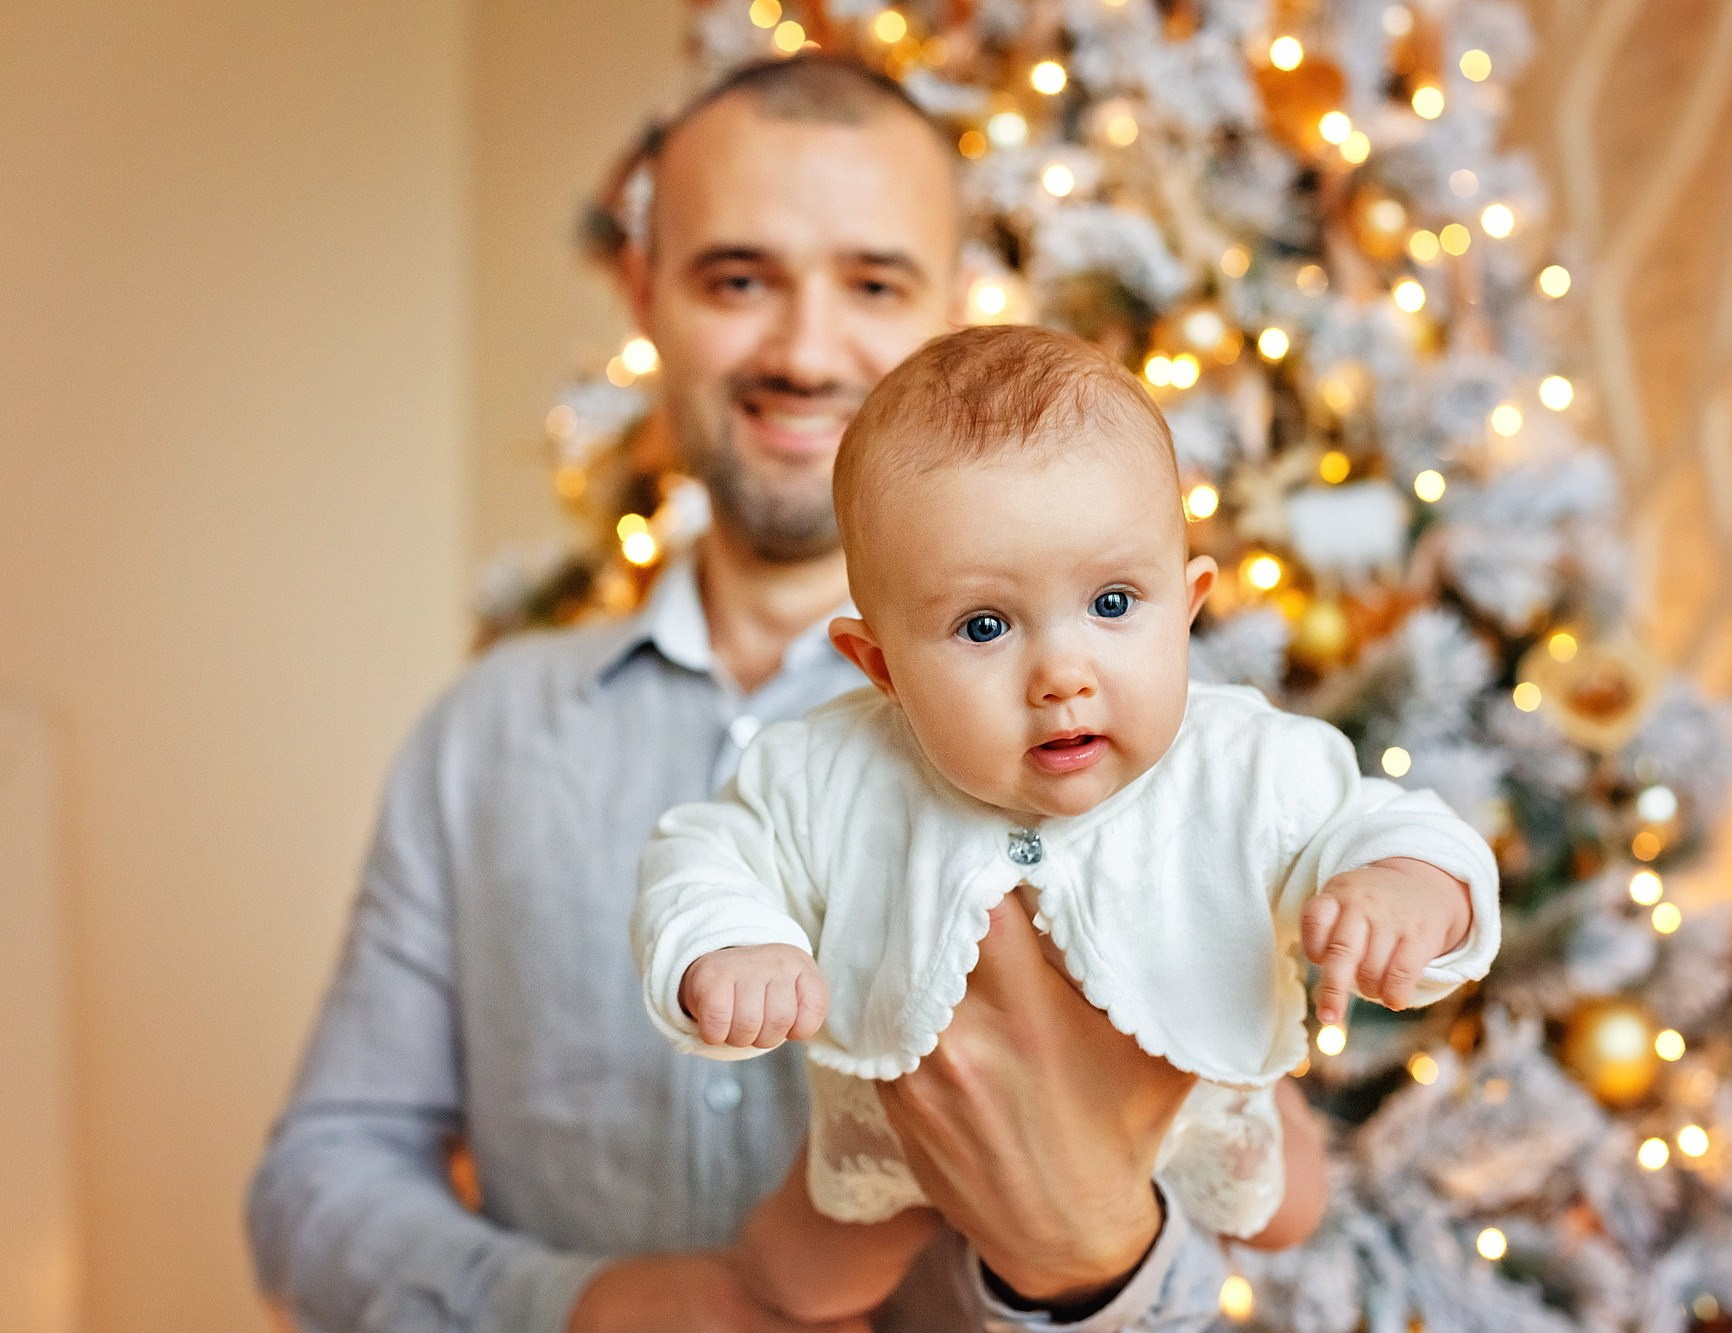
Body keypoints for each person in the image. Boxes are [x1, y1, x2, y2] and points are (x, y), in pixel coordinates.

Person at [250, 56, 1247, 1333]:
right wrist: (587, 1307)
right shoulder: (483, 738)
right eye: (736, 279)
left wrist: (1091, 1257)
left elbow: (1256, 1177)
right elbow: (319, 1178)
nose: (804, 349)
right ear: (643, 291)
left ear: (955, 302)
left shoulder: (1132, 740)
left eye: (874, 282)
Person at [632, 326, 1502, 1323]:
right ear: (880, 668)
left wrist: (1400, 890)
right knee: (801, 1274)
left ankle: (1269, 1121)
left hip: (1192, 1094)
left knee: (1287, 1206)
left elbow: (1393, 828)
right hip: (901, 1118)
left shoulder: (1249, 761)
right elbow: (705, 853)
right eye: (984, 626)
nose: (1061, 674)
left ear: (1188, 606)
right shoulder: (823, 772)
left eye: (1112, 601)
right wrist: (727, 944)